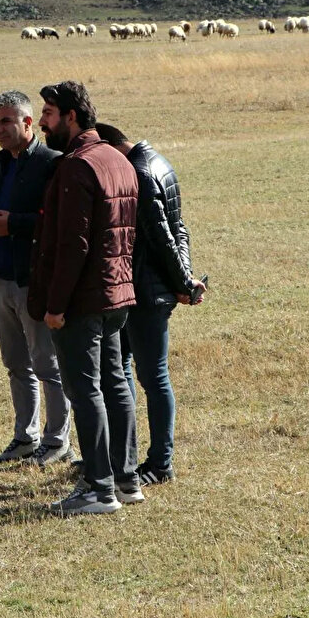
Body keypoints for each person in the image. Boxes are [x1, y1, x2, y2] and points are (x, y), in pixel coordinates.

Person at [27, 81, 141, 516]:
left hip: (83, 299)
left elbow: (73, 245)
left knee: (84, 388)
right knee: (115, 383)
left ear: (71, 116)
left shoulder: (77, 166)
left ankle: (98, 488)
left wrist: (56, 306)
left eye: (49, 112)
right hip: (117, 292)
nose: (43, 122)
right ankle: (126, 479)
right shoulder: (117, 159)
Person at [95, 124, 205, 487]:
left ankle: (160, 463)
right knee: (124, 370)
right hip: (146, 289)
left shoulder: (139, 173)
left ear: (112, 148)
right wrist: (184, 278)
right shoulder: (159, 161)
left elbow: (161, 236)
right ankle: (122, 456)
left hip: (145, 292)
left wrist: (182, 283)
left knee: (152, 377)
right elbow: (179, 229)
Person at [0, 90, 72, 467]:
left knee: (48, 365)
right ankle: (26, 438)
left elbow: (57, 222)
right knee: (16, 364)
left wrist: (13, 225)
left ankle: (57, 440)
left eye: (6, 121)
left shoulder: (52, 163)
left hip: (35, 281)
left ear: (28, 122)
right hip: (1, 279)